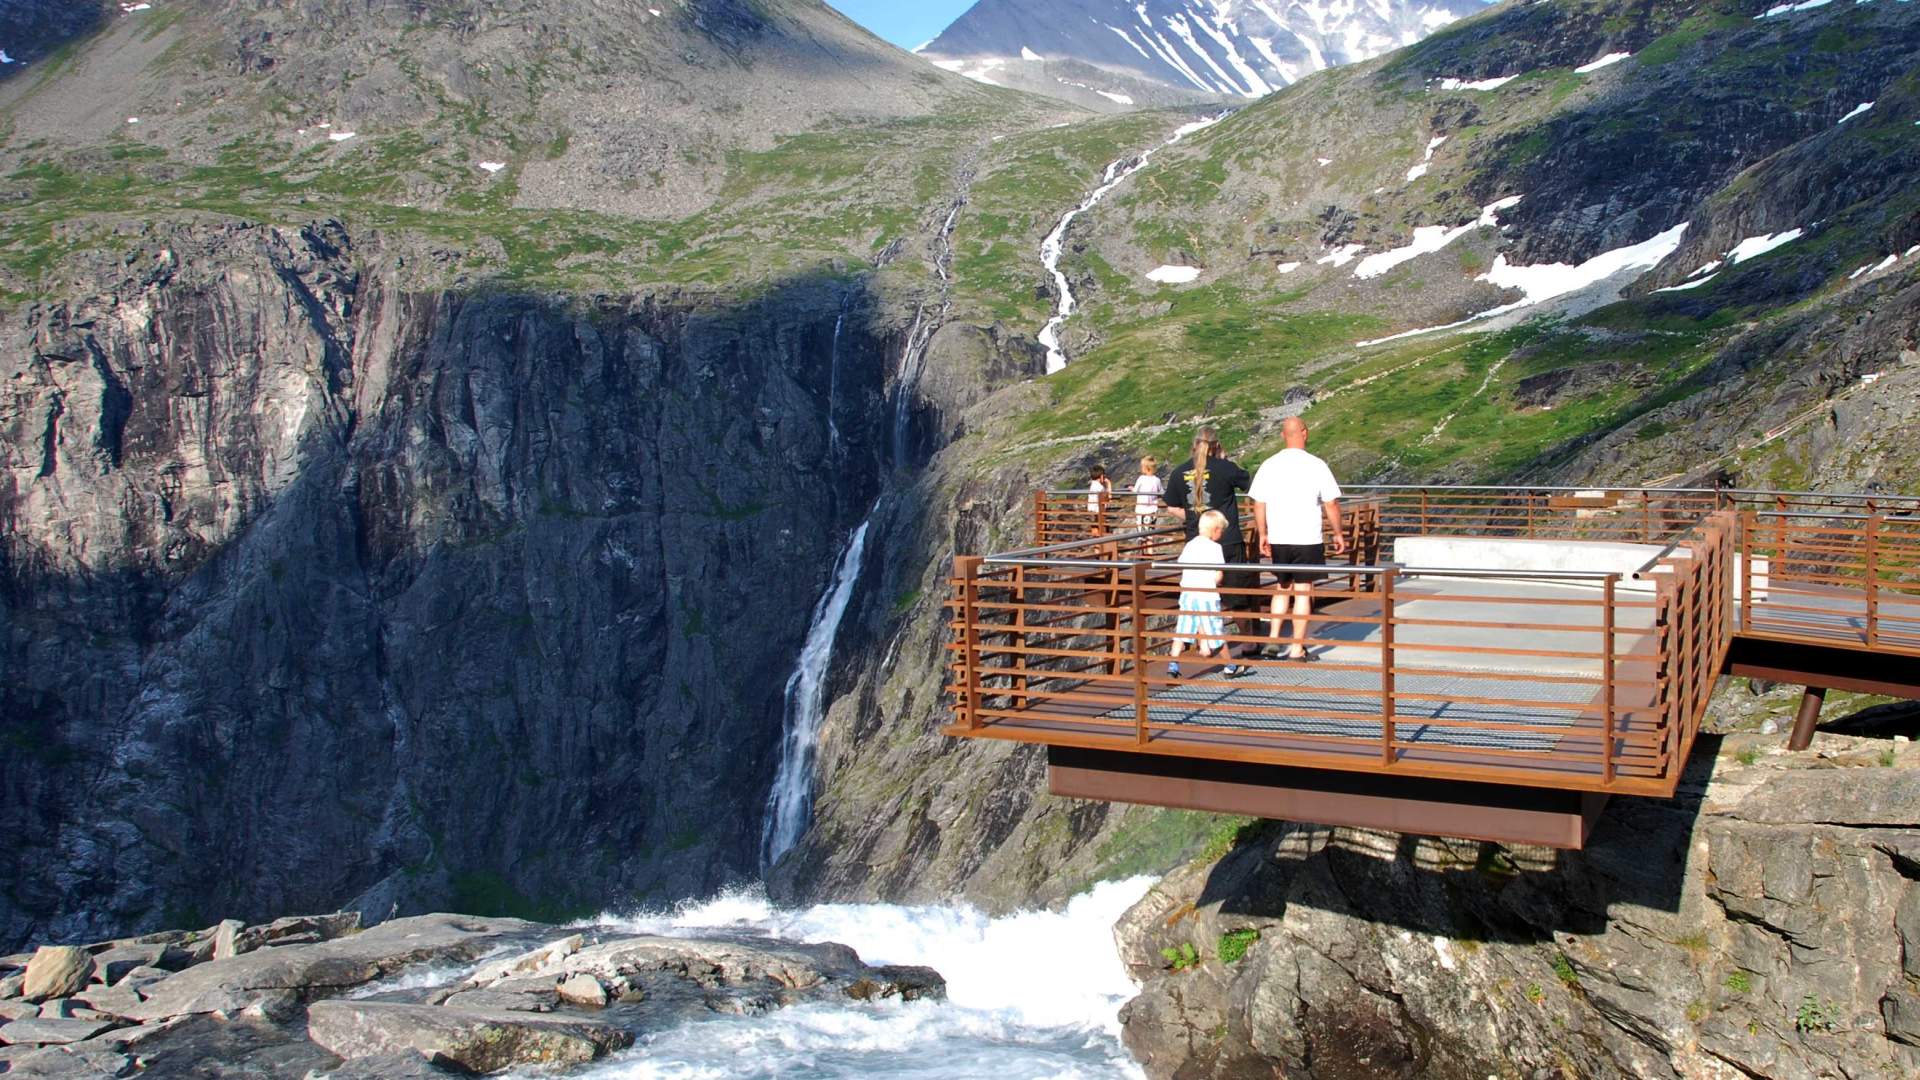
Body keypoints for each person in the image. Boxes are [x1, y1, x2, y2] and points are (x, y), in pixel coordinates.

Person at [1249, 416, 1346, 661]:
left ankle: (1273, 640)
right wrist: (1337, 532)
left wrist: (1263, 533)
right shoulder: (1316, 465)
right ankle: (1296, 647)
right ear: (1305, 432)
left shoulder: (1269, 464)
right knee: (1303, 591)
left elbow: (1258, 502)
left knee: (1282, 588)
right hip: (1307, 537)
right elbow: (1331, 503)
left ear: (1283, 435)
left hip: (1280, 536)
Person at [1162, 427, 1255, 651]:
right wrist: (1225, 460)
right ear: (1217, 446)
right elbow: (1249, 483)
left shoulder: (1179, 472)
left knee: (1199, 594)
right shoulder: (1225, 468)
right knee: (1237, 596)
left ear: (1193, 446)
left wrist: (1195, 516)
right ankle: (1250, 643)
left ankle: (1204, 644)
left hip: (1197, 543)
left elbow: (1172, 507)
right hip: (1227, 540)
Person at [1169, 510, 1249, 679]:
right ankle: (1229, 665)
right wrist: (1218, 581)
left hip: (1188, 594)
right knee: (1215, 632)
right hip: (1207, 595)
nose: (1222, 534)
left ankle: (1173, 664)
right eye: (1221, 531)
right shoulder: (1215, 548)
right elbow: (1219, 573)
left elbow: (1181, 563)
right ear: (1215, 530)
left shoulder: (1190, 544)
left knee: (1182, 630)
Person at [1132, 456, 1165, 528]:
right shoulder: (1157, 480)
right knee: (1150, 531)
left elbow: (1135, 491)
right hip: (1152, 509)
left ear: (1146, 468)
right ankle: (1150, 538)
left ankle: (1141, 538)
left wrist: (1131, 488)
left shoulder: (1141, 478)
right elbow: (1161, 492)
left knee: (1140, 531)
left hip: (1141, 509)